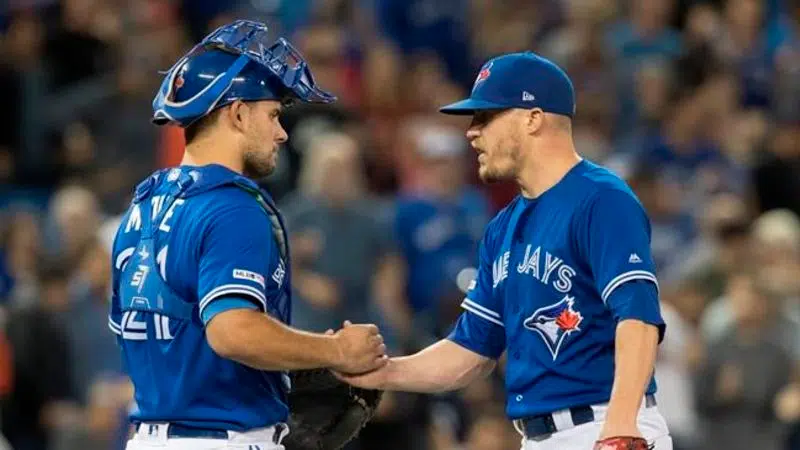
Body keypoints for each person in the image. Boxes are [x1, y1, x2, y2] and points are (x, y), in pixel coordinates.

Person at [338, 52, 672, 450]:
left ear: (532, 118)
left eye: (486, 117)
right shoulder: (501, 226)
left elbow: (637, 317)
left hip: (604, 424)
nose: (472, 133)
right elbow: (470, 351)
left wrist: (619, 428)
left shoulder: (601, 199)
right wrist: (385, 373)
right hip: (538, 437)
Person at [107, 20, 387, 450]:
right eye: (273, 114)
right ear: (237, 113)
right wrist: (336, 352)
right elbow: (232, 331)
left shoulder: (143, 205)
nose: (282, 132)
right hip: (221, 438)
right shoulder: (233, 207)